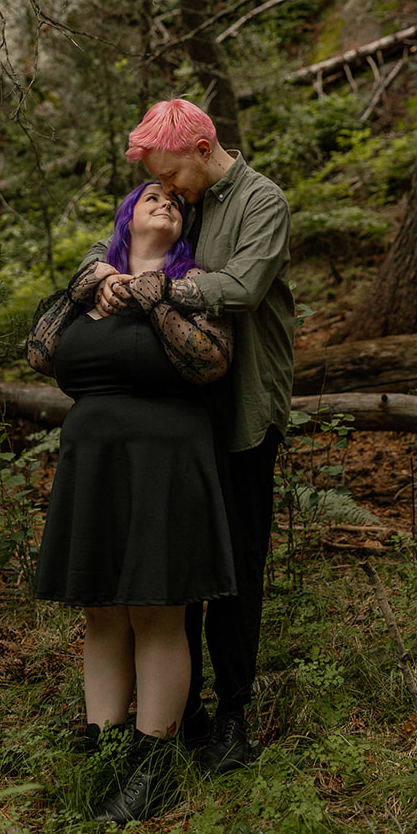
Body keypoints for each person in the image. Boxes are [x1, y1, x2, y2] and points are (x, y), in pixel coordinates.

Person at [94, 99, 294, 774]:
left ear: (203, 147)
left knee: (235, 570)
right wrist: (99, 275)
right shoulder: (181, 197)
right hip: (172, 420)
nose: (168, 190)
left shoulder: (261, 201)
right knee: (176, 567)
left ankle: (231, 714)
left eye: (173, 174)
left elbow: (239, 287)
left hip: (238, 413)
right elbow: (117, 248)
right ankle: (180, 710)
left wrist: (151, 288)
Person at [27, 180, 235, 825]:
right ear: (126, 216)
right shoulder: (93, 283)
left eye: (176, 200)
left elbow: (210, 363)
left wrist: (158, 300)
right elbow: (38, 352)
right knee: (102, 609)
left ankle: (153, 762)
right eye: (151, 196)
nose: (166, 202)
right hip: (93, 462)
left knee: (156, 607)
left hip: (165, 459)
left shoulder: (195, 281)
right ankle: (104, 746)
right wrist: (85, 285)